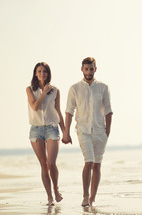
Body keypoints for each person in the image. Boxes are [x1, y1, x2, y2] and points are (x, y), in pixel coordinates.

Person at [62, 57, 113, 207]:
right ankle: (85, 197)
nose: (89, 72)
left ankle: (93, 198)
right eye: (86, 69)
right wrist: (66, 132)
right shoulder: (75, 88)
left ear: (95, 69)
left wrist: (107, 132)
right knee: (89, 161)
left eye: (91, 69)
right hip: (83, 131)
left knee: (97, 165)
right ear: (82, 69)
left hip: (99, 132)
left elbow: (109, 111)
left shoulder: (103, 87)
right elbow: (69, 112)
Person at [26, 62, 65, 205]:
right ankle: (49, 197)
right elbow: (35, 107)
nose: (42, 74)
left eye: (45, 71)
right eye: (39, 71)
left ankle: (56, 189)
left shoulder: (56, 91)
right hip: (36, 130)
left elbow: (58, 112)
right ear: (35, 73)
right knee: (43, 164)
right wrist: (43, 93)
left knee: (51, 163)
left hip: (51, 128)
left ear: (48, 74)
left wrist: (65, 131)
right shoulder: (30, 89)